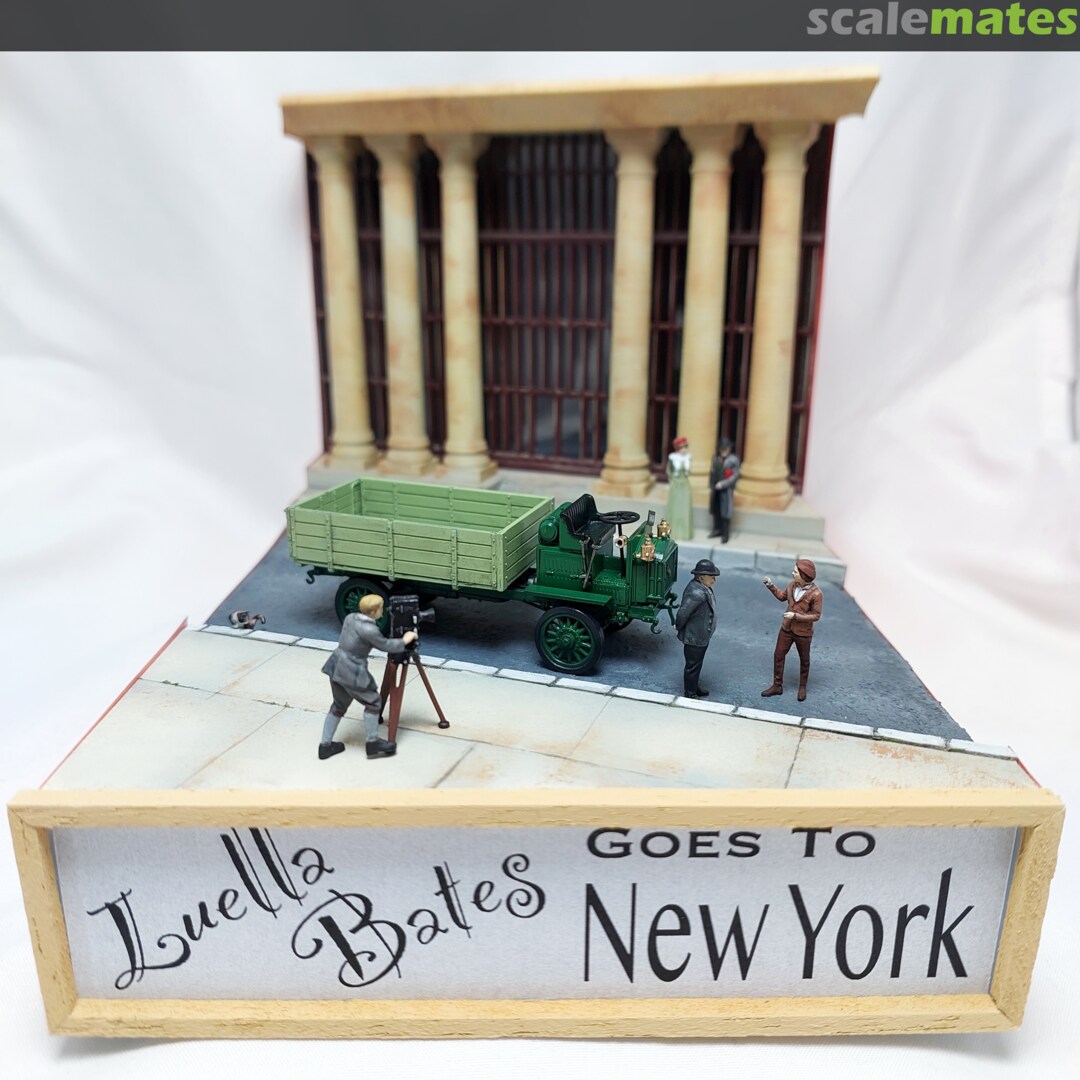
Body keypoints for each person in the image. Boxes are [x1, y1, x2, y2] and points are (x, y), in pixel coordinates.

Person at [318, 593, 417, 760]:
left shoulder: (351, 618)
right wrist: (405, 640)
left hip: (336, 665)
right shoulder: (370, 630)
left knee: (338, 706)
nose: (383, 611)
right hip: (352, 670)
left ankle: (325, 745)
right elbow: (387, 646)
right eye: (381, 608)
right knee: (373, 702)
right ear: (374, 612)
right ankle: (372, 742)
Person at [760, 558, 822, 703]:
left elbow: (816, 615)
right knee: (778, 655)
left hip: (803, 633)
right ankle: (777, 685)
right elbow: (782, 596)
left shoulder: (816, 594)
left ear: (803, 575)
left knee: (804, 660)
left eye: (795, 572)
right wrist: (770, 586)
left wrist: (795, 616)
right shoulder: (792, 585)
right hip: (787, 628)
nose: (792, 573)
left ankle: (802, 687)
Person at [675, 558, 719, 698]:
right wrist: (679, 627)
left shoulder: (703, 588)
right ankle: (690, 693)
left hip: (701, 635)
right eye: (711, 576)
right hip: (694, 636)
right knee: (692, 666)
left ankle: (693, 686)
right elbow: (682, 613)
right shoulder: (697, 593)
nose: (714, 580)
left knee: (696, 664)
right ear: (701, 577)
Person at [709, 437, 740, 542]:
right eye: (722, 449)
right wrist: (712, 484)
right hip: (715, 489)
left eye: (725, 449)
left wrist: (723, 484)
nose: (723, 451)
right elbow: (712, 472)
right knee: (715, 510)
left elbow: (735, 476)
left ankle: (725, 534)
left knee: (725, 512)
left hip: (726, 490)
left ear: (729, 449)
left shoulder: (733, 460)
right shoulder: (715, 458)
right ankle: (716, 530)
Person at [666, 435, 694, 540]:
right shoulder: (673, 458)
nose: (684, 449)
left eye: (685, 446)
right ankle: (674, 532)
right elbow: (668, 470)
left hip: (685, 484)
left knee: (685, 508)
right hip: (676, 484)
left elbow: (689, 471)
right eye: (682, 447)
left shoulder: (688, 457)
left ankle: (685, 533)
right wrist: (672, 480)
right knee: (675, 508)